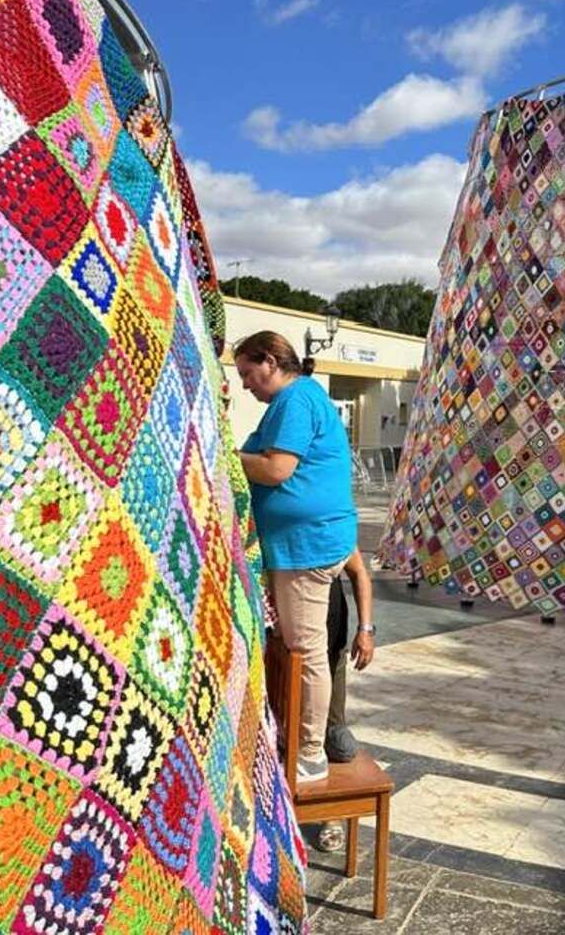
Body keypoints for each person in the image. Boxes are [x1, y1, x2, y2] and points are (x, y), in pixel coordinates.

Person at [235, 331, 358, 784]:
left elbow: (275, 468)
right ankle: (298, 737)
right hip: (299, 547)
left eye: (249, 373)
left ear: (270, 361)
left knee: (306, 652)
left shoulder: (295, 400)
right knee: (297, 649)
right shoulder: (290, 404)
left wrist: (223, 458)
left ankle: (310, 752)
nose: (247, 384)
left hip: (307, 547)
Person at [317, 548, 376, 852]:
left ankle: (332, 815)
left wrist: (365, 629)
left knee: (333, 733)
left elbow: (358, 572)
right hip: (284, 639)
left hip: (330, 636)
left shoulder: (330, 513)